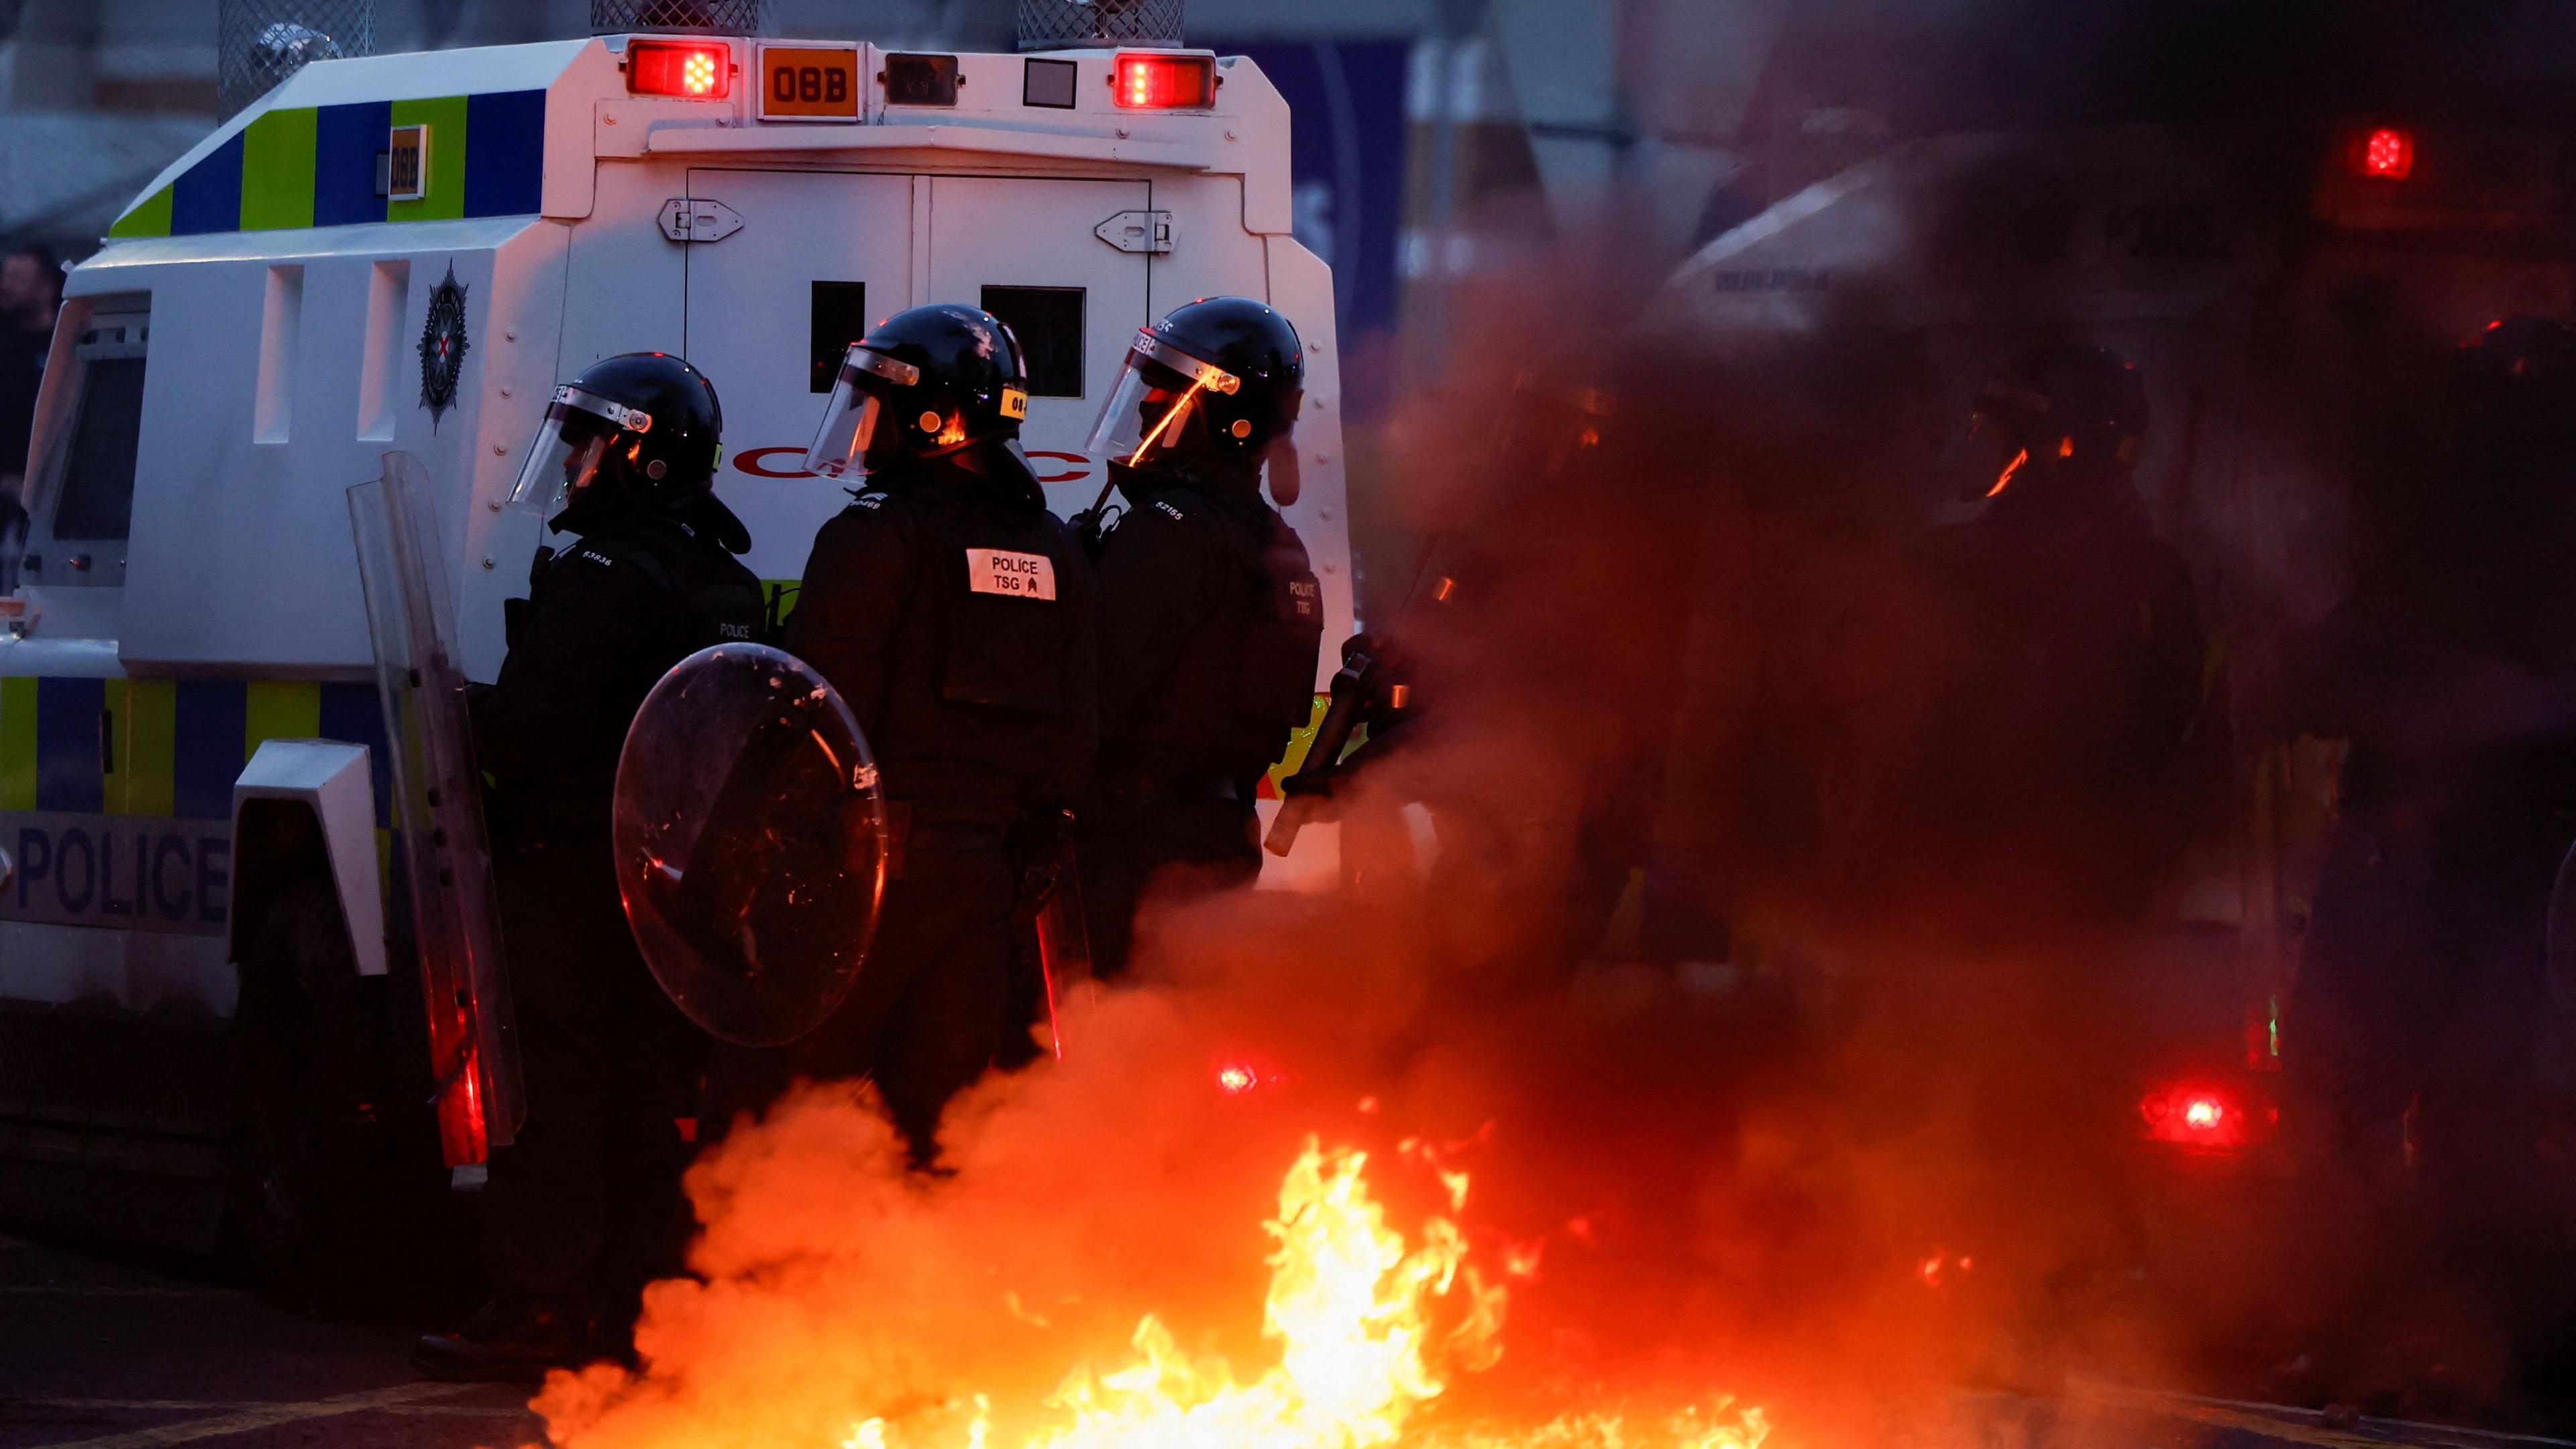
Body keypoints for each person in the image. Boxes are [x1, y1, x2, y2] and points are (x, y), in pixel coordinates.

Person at [415, 353, 763, 1381]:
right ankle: (644, 1308)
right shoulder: (722, 578)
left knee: (556, 1090)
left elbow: (531, 729)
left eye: (592, 443)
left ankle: (539, 1305)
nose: (574, 463)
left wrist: (456, 711)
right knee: (646, 1094)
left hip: (571, 871)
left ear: (644, 462)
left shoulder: (607, 575)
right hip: (677, 884)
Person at [778, 303, 1095, 1162]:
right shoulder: (1055, 549)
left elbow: (822, 713)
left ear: (929, 415)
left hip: (875, 870)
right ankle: (930, 1292)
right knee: (945, 1118)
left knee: (796, 1109)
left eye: (874, 403)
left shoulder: (875, 536)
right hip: (990, 881)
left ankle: (781, 1288)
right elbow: (1076, 719)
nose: (864, 427)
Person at [1815, 339, 2209, 935]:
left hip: (1943, 903)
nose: (1982, 446)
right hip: (2079, 907)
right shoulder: (2155, 578)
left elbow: (1839, 703)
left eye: (2002, 432)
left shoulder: (1944, 566)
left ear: (2058, 448)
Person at [1077, 298, 1322, 977]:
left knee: (1099, 1049)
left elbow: (1095, 696)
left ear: (1225, 419)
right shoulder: (1280, 547)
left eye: (1167, 392)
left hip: (1133, 847)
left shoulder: (1170, 534)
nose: (1150, 407)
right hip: (1223, 838)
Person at [0, 246, 61, 586]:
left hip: (45, 492)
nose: (7, 287)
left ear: (45, 286)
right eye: (5, 277)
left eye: (19, 279)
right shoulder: (7, 346)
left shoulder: (63, 343)